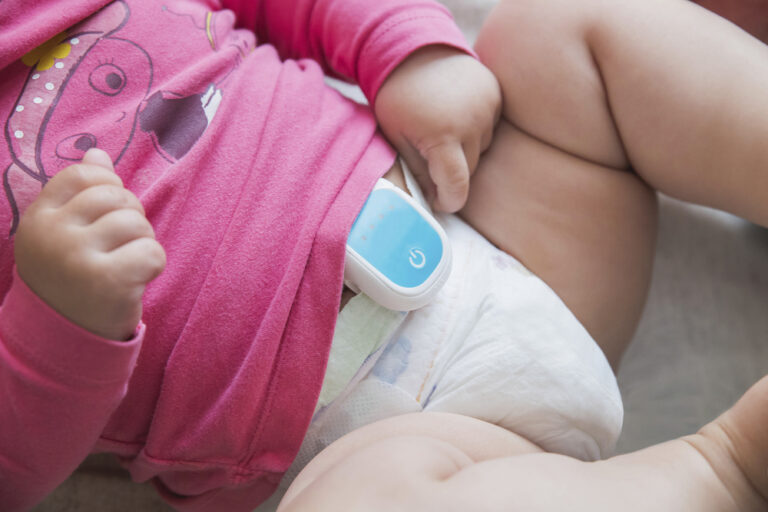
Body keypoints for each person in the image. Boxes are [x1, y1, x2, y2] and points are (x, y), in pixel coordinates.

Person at [0, 0, 500, 510]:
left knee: (552, 28)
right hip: (353, 444)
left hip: (465, 189)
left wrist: (406, 43)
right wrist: (58, 325)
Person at [271, 0, 768, 509]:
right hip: (401, 440)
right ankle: (733, 468)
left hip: (490, 226)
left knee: (548, 34)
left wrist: (404, 49)